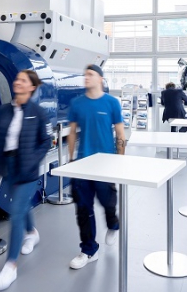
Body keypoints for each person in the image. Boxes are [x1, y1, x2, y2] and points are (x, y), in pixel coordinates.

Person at [0, 70, 52, 291]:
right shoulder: (4, 110)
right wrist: (0, 163)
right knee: (22, 206)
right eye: (17, 79)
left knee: (15, 213)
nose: (17, 82)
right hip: (9, 167)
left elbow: (46, 141)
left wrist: (33, 160)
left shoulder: (38, 113)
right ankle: (32, 233)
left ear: (32, 87)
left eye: (23, 80)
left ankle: (11, 265)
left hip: (28, 169)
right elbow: (0, 138)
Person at [66, 64, 125, 270]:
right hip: (83, 163)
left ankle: (113, 224)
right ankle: (89, 250)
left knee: (108, 202)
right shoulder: (77, 103)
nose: (86, 77)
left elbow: (120, 133)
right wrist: (71, 159)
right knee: (83, 208)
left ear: (100, 78)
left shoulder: (112, 103)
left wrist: (120, 160)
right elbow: (72, 132)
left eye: (90, 74)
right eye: (85, 75)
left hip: (106, 163)